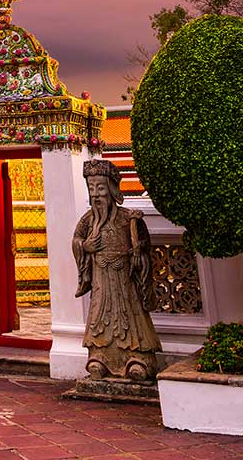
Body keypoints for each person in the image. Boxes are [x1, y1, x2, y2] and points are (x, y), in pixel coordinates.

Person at [73, 157, 162, 381]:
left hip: (124, 279)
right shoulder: (89, 220)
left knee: (130, 315)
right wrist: (85, 246)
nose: (96, 195)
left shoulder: (127, 218)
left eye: (101, 188)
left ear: (112, 189)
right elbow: (77, 239)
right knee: (100, 317)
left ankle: (137, 358)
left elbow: (143, 246)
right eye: (91, 188)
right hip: (101, 280)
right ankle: (100, 357)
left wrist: (137, 252)